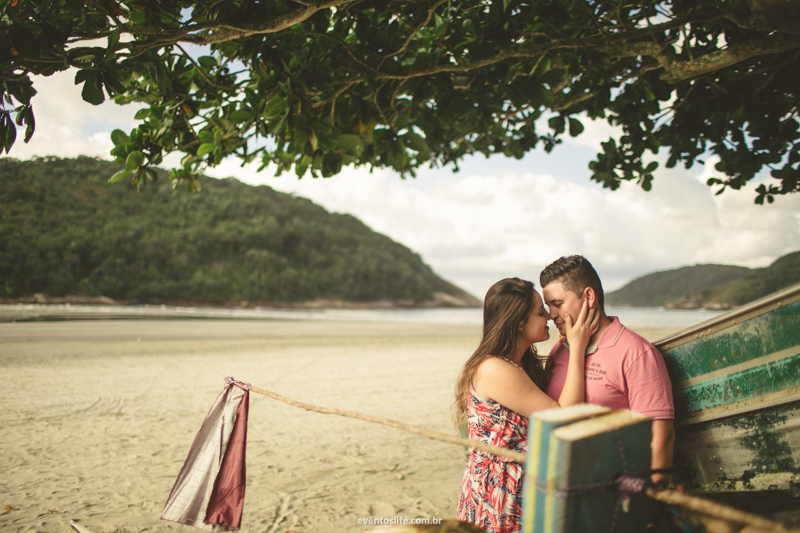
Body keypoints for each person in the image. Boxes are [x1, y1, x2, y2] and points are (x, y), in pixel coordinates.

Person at [454, 277, 598, 533]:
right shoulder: (495, 369)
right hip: (500, 493)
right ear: (519, 323)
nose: (550, 317)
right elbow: (563, 417)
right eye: (540, 312)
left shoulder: (518, 365)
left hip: (515, 486)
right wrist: (577, 348)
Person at [539, 255, 675, 485]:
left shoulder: (636, 353)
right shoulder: (559, 349)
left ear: (589, 297)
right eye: (548, 306)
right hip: (561, 488)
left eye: (558, 304)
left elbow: (660, 440)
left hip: (612, 496)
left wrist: (649, 504)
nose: (551, 315)